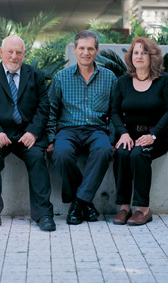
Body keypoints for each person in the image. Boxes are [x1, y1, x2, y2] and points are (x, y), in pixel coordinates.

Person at [0, 35, 55, 231]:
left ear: (24, 54)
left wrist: (34, 132)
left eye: (18, 52)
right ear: (1, 52)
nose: (14, 56)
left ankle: (43, 214)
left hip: (26, 133)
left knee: (36, 157)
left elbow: (44, 107)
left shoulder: (36, 75)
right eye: (10, 51)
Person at [47, 30, 117, 225]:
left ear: (97, 51)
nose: (86, 52)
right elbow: (51, 111)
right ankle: (85, 203)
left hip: (97, 130)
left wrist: (112, 140)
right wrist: (51, 138)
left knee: (103, 150)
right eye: (82, 48)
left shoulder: (109, 77)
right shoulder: (61, 78)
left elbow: (115, 112)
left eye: (90, 48)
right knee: (61, 154)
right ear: (74, 49)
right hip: (68, 130)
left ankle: (78, 203)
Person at [112, 37, 168, 226]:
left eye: (144, 52)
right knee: (123, 153)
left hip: (156, 136)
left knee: (138, 154)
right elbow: (114, 111)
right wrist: (123, 133)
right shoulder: (123, 81)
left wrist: (153, 135)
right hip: (130, 135)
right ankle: (124, 207)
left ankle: (143, 209)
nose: (139, 56)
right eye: (136, 52)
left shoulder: (163, 80)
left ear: (152, 56)